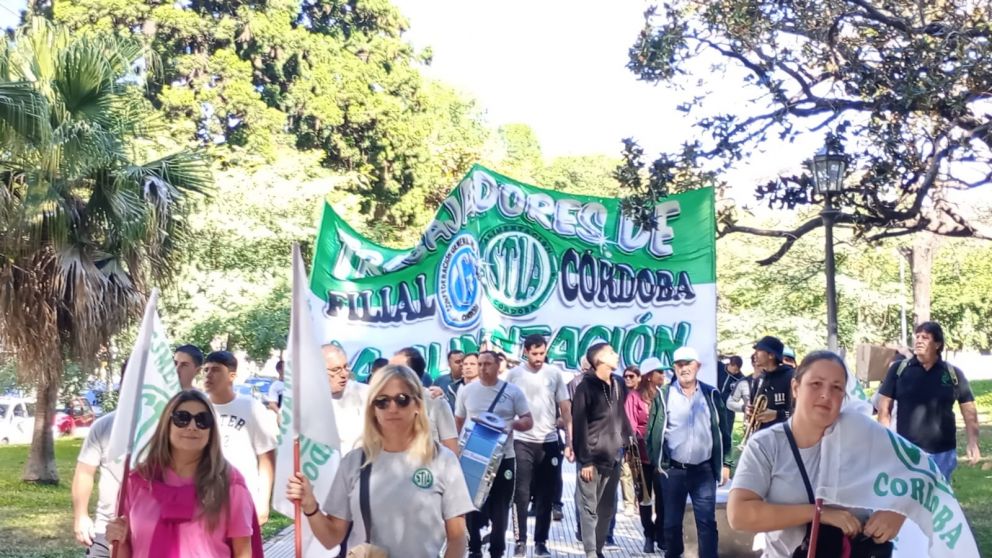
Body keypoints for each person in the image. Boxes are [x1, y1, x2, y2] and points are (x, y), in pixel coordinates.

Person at [728, 351, 907, 557]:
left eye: (836, 387)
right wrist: (819, 514)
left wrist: (897, 512)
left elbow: (921, 477)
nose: (825, 394)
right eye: (816, 384)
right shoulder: (766, 445)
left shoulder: (864, 441)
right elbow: (738, 515)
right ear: (796, 388)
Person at [285, 364, 474, 558]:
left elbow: (457, 537)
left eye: (402, 399)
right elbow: (331, 538)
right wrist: (310, 506)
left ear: (417, 405)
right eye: (382, 401)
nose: (392, 408)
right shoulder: (354, 462)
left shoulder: (442, 460)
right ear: (373, 409)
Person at [105, 389, 263, 558]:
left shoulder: (229, 484)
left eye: (203, 420)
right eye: (182, 418)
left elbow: (243, 553)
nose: (192, 427)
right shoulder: (137, 481)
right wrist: (115, 540)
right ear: (167, 424)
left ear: (211, 430)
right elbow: (124, 551)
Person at [644, 346, 732, 558]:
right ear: (674, 368)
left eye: (688, 363)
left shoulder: (711, 394)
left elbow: (723, 431)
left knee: (707, 523)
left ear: (697, 366)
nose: (684, 368)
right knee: (671, 524)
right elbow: (652, 432)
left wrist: (726, 464)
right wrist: (658, 463)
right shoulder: (664, 395)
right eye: (680, 364)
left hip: (704, 470)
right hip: (674, 470)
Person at [876, 321, 981, 480]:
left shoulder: (952, 374)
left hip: (942, 453)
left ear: (937, 344)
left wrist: (973, 442)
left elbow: (969, 411)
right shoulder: (899, 369)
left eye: (925, 337)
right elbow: (884, 409)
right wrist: (887, 441)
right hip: (907, 451)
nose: (918, 341)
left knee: (938, 501)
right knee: (908, 501)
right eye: (917, 336)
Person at [455, 350, 534, 558]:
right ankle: (473, 548)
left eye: (487, 364)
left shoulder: (512, 392)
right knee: (470, 504)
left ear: (498, 366)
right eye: (479, 364)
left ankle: (497, 550)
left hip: (503, 458)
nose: (482, 368)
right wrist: (454, 451)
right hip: (473, 457)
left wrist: (512, 424)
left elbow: (528, 420)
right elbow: (458, 423)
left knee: (501, 507)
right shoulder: (467, 391)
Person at [505, 334, 572, 557]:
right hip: (522, 441)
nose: (538, 358)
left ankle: (541, 541)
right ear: (525, 352)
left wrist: (569, 440)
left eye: (542, 353)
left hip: (549, 441)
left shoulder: (554, 374)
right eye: (534, 354)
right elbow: (503, 405)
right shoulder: (514, 375)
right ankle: (519, 540)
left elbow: (565, 408)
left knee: (546, 495)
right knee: (521, 494)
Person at [203, 350, 278, 523]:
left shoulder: (251, 407)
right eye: (206, 370)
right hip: (204, 495)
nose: (208, 375)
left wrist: (263, 501)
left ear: (232, 375)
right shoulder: (199, 406)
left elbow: (266, 457)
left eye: (215, 370)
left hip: (242, 495)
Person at [572, 343, 632, 558]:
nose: (616, 355)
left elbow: (620, 417)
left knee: (607, 508)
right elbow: (579, 425)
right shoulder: (584, 387)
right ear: (600, 360)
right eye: (611, 353)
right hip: (592, 458)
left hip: (614, 456)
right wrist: (585, 460)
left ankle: (598, 549)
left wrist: (627, 441)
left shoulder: (617, 384)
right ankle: (589, 552)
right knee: (589, 508)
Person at [72, 362, 127, 558]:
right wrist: (81, 515)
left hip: (152, 531)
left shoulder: (173, 429)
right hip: (106, 530)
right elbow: (85, 472)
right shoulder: (104, 425)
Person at [625, 357, 666, 554]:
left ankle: (660, 533)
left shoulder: (664, 396)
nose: (663, 376)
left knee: (664, 498)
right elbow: (630, 424)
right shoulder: (634, 397)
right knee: (644, 498)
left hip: (661, 456)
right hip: (640, 456)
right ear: (650, 376)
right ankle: (648, 535)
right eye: (660, 372)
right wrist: (636, 441)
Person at [390, 347, 460, 454]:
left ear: (413, 375)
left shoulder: (435, 401)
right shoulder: (380, 402)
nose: (387, 374)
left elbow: (451, 448)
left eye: (396, 370)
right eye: (387, 369)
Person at [323, 344, 371, 454]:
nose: (344, 374)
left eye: (346, 367)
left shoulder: (366, 393)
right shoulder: (304, 399)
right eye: (336, 370)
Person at [748, 336, 795, 432]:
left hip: (785, 436)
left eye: (759, 351)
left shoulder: (791, 377)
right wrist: (751, 412)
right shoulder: (759, 380)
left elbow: (801, 412)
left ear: (771, 355)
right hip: (762, 436)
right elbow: (754, 406)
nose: (755, 355)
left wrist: (777, 415)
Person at [618, 365, 641, 516]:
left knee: (639, 472)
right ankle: (629, 503)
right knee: (625, 471)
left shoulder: (643, 394)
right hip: (623, 438)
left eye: (631, 376)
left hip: (640, 440)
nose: (627, 379)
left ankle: (641, 502)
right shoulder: (621, 393)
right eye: (625, 376)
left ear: (639, 377)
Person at [720, 355, 746, 431]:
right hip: (715, 404)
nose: (737, 372)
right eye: (735, 369)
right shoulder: (719, 367)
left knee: (727, 430)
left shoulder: (741, 379)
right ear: (730, 364)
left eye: (738, 369)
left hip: (728, 409)